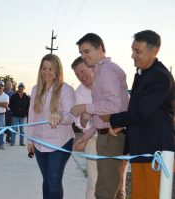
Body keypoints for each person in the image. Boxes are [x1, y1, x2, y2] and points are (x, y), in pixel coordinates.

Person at [100, 30, 175, 199]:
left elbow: (141, 112)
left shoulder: (160, 77)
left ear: (154, 51)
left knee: (154, 195)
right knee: (139, 195)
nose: (133, 55)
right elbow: (139, 112)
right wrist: (121, 124)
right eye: (133, 50)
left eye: (138, 51)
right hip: (141, 148)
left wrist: (112, 119)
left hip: (157, 151)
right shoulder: (143, 74)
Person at [71, 33, 129, 199]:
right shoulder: (102, 71)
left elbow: (114, 107)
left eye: (87, 51)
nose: (84, 56)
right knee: (114, 190)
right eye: (81, 53)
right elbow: (102, 118)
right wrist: (86, 136)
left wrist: (85, 107)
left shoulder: (107, 71)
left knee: (104, 191)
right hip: (107, 136)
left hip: (112, 138)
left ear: (100, 48)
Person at [27, 54, 75, 199]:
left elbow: (71, 116)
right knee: (46, 180)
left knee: (54, 181)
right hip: (40, 142)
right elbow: (32, 116)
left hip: (60, 143)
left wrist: (60, 116)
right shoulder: (36, 89)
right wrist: (30, 140)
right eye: (44, 68)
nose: (46, 72)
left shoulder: (66, 89)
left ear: (57, 71)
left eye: (50, 69)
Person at [71, 56, 97, 199]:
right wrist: (83, 118)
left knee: (118, 182)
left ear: (91, 67)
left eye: (82, 71)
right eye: (77, 74)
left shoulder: (108, 83)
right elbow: (79, 122)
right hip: (92, 139)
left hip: (116, 139)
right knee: (93, 181)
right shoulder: (79, 92)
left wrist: (87, 109)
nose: (81, 76)